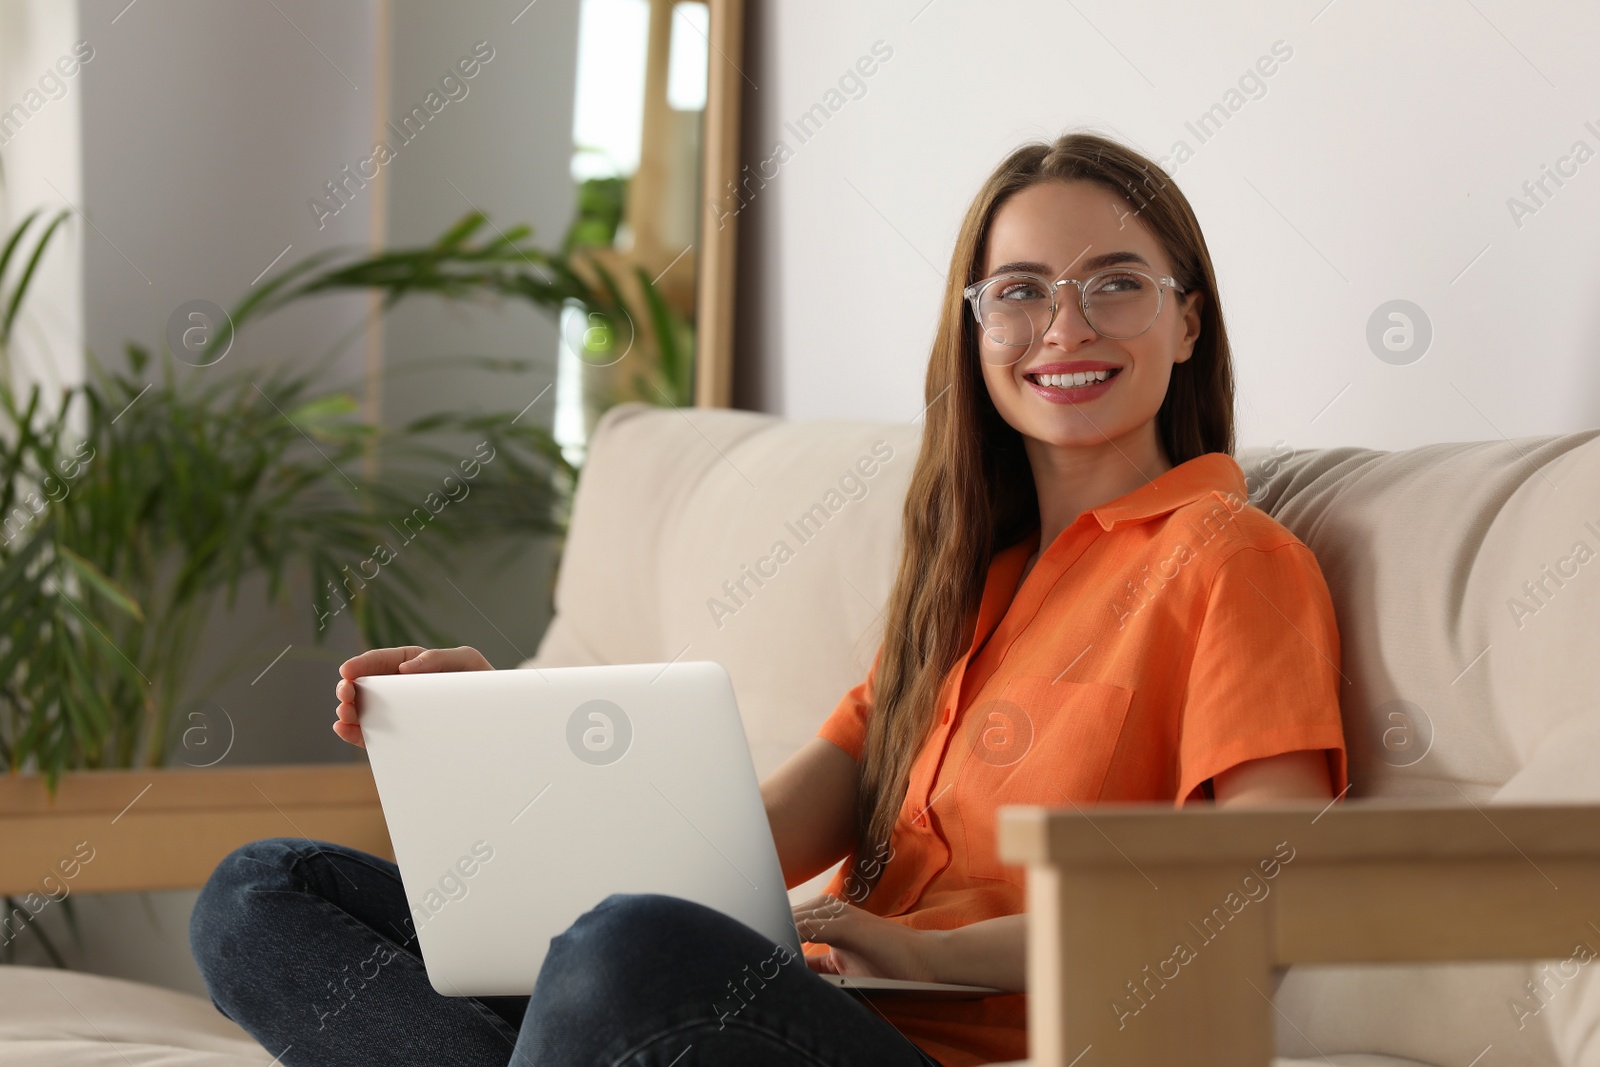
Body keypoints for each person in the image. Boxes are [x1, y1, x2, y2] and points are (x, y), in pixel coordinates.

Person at [190, 130, 1347, 1067]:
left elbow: (1249, 894)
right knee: (261, 893)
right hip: (765, 1012)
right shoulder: (963, 588)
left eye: (1116, 283)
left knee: (626, 951)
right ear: (975, 329)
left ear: (1187, 320)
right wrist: (507, 733)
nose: (1066, 326)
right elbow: (719, 849)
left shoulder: (1227, 557)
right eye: (1020, 290)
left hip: (954, 1045)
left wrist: (913, 952)